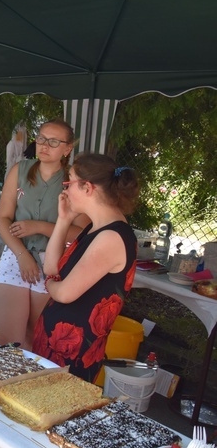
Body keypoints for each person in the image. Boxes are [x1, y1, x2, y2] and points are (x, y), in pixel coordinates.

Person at [33, 154, 139, 382]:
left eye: (69, 182)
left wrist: (50, 282)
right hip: (55, 347)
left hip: (73, 356)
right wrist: (64, 220)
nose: (65, 190)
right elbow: (52, 267)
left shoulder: (111, 237)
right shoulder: (96, 228)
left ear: (87, 188)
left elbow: (64, 292)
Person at [0, 119, 89, 349]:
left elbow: (81, 234)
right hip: (17, 255)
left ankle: (26, 384)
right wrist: (21, 254)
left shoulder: (74, 181)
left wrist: (40, 227)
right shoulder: (20, 170)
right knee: (7, 339)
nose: (45, 145)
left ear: (67, 149)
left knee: (37, 338)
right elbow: (3, 219)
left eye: (54, 142)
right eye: (42, 139)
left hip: (53, 262)